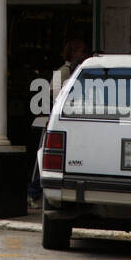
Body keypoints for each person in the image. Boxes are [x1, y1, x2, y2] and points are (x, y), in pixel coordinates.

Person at [29, 38, 92, 207]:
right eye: (82, 51)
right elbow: (52, 93)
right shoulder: (65, 71)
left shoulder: (72, 71)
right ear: (73, 53)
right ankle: (34, 192)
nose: (84, 54)